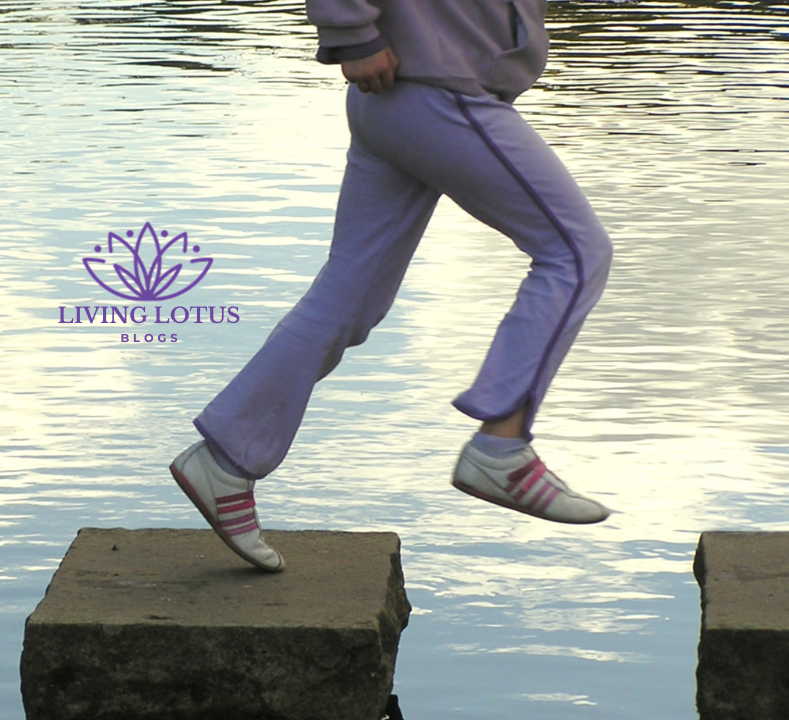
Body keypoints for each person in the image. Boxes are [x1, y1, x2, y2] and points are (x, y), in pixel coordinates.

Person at [170, 0, 615, 572]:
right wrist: (351, 30)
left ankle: (225, 459)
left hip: (410, 92)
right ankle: (501, 447)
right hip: (439, 86)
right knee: (576, 254)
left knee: (350, 296)